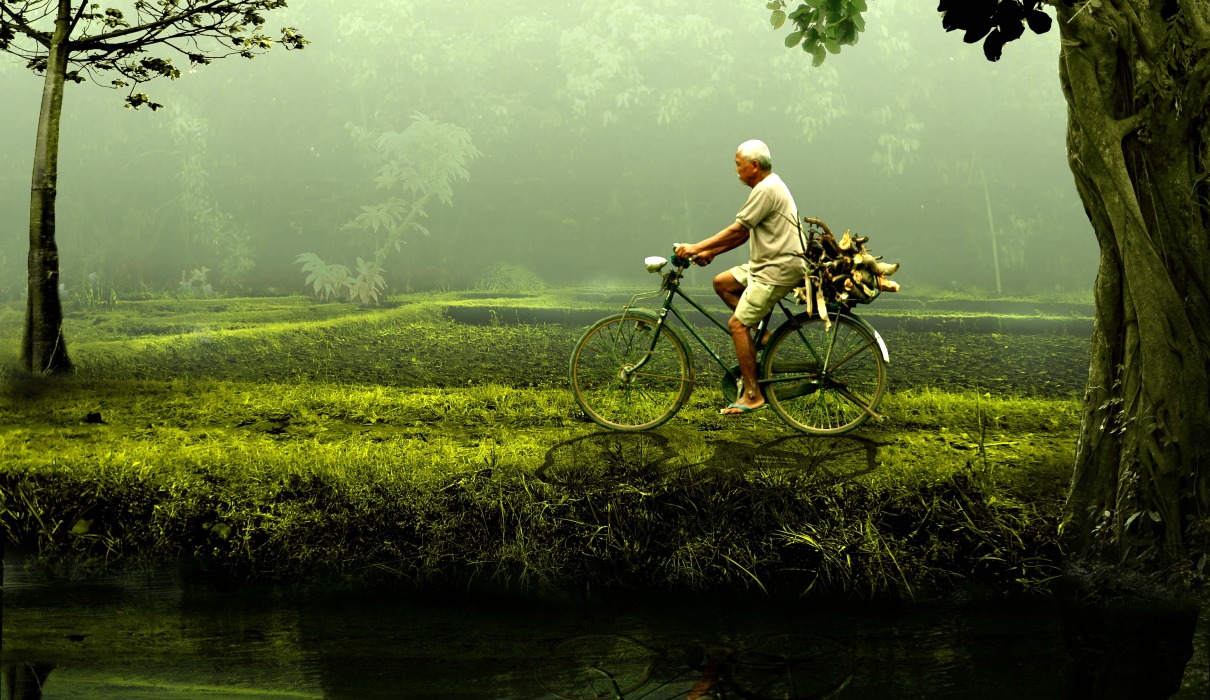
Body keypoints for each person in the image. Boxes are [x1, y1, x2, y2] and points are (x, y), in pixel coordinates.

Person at [675, 140, 806, 415]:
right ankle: (763, 337)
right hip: (766, 264)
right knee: (722, 283)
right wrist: (712, 252)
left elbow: (737, 230)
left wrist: (697, 247)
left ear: (754, 166)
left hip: (777, 269)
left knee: (736, 326)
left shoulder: (766, 190)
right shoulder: (768, 186)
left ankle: (752, 394)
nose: (736, 170)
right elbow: (746, 233)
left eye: (738, 165)